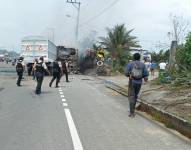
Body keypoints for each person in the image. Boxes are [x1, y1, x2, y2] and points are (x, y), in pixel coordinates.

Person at [125, 53, 149, 118]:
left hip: (132, 81)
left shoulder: (130, 64)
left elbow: (126, 73)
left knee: (131, 96)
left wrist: (129, 74)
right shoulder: (143, 64)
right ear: (139, 58)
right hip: (139, 82)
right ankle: (133, 110)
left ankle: (132, 113)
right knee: (135, 96)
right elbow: (146, 74)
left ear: (133, 57)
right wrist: (145, 80)